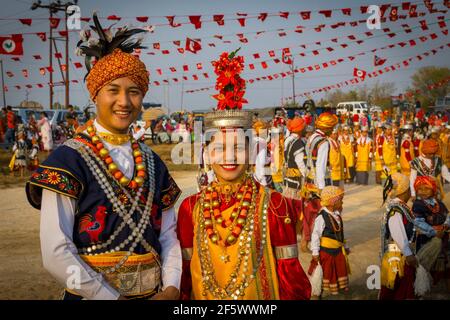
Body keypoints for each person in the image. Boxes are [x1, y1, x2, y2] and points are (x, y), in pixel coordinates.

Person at [25, 13, 182, 300]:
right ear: (95, 95)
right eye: (113, 90)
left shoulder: (154, 163)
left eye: (134, 92)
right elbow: (55, 250)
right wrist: (108, 297)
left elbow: (169, 235)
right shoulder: (68, 160)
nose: (124, 101)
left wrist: (172, 286)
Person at [177, 50, 311, 300]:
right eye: (219, 148)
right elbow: (184, 278)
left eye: (238, 147)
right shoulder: (189, 209)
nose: (229, 157)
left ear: (251, 153)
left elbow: (291, 281)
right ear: (207, 154)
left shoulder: (275, 205)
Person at [302, 112, 338, 253]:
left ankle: (308, 241)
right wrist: (323, 190)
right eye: (332, 127)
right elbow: (321, 167)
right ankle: (318, 244)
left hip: (309, 182)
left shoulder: (311, 137)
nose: (333, 130)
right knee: (320, 215)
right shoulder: (323, 142)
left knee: (309, 214)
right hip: (318, 184)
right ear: (327, 128)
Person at [379, 172, 418, 300]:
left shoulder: (400, 207)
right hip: (397, 257)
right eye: (409, 190)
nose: (410, 193)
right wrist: (408, 254)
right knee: (397, 288)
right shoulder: (396, 210)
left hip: (401, 254)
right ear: (403, 191)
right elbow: (398, 233)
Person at [309, 186, 350, 297]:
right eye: (340, 200)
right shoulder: (321, 217)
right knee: (326, 274)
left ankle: (338, 290)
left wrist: (345, 246)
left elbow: (340, 233)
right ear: (332, 202)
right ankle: (320, 294)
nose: (342, 202)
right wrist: (315, 252)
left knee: (338, 271)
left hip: (338, 251)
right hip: (326, 253)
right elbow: (315, 235)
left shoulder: (337, 214)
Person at [412, 176, 449, 287]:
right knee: (426, 263)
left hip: (442, 236)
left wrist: (446, 225)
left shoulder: (439, 203)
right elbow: (418, 222)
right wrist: (434, 232)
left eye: (426, 189)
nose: (423, 192)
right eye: (420, 189)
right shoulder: (418, 205)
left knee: (443, 259)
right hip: (426, 239)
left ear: (433, 189)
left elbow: (447, 216)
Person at [283, 117, 306, 200]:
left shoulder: (289, 140)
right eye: (304, 127)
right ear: (299, 129)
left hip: (288, 178)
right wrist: (307, 177)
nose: (305, 129)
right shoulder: (297, 143)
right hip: (296, 181)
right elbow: (300, 163)